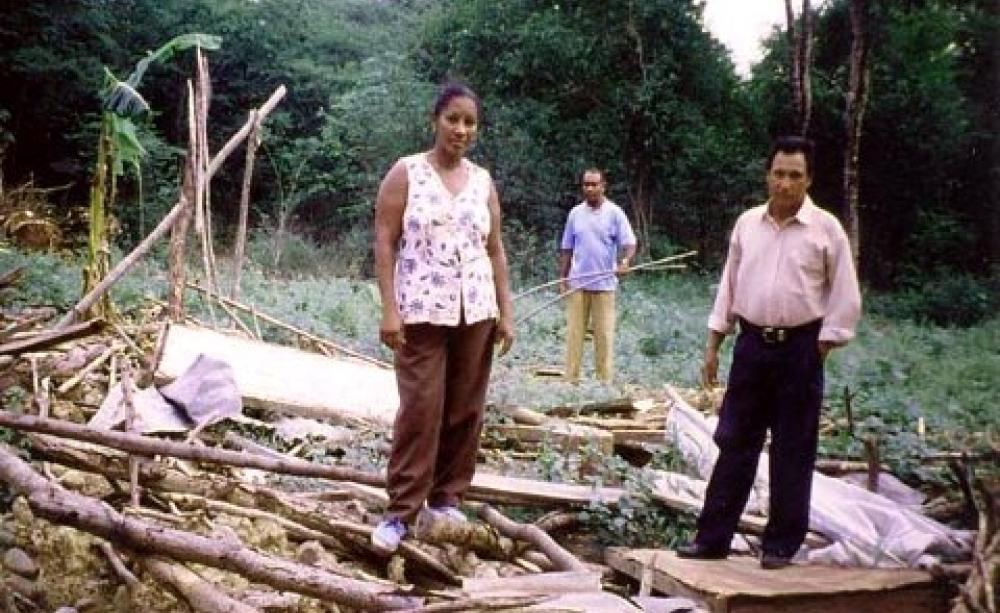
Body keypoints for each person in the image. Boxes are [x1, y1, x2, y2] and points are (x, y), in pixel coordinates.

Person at [677, 136, 861, 569]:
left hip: (800, 348)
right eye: (779, 173)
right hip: (751, 347)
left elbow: (845, 293)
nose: (785, 183)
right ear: (768, 175)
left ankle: (780, 544)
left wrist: (824, 342)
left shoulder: (826, 229)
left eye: (795, 175)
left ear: (809, 179)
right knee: (735, 442)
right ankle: (712, 538)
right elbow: (730, 283)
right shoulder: (747, 224)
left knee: (793, 448)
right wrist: (714, 342)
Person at [371, 83, 515, 553]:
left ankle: (447, 498)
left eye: (470, 122)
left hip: (475, 308)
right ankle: (400, 513)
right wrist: (389, 309)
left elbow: (495, 250)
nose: (461, 129)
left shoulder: (483, 181)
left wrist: (505, 313)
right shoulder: (406, 172)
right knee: (420, 408)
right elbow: (384, 240)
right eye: (453, 118)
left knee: (464, 408)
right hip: (420, 311)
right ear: (436, 120)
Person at [558, 168, 637, 383]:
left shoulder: (615, 213)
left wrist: (625, 262)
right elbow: (567, 248)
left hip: (604, 285)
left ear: (603, 186)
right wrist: (563, 278)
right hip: (578, 284)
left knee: (603, 336)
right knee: (575, 335)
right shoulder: (575, 214)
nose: (590, 188)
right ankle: (570, 380)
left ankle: (604, 382)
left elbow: (630, 243)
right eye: (586, 184)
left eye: (594, 184)